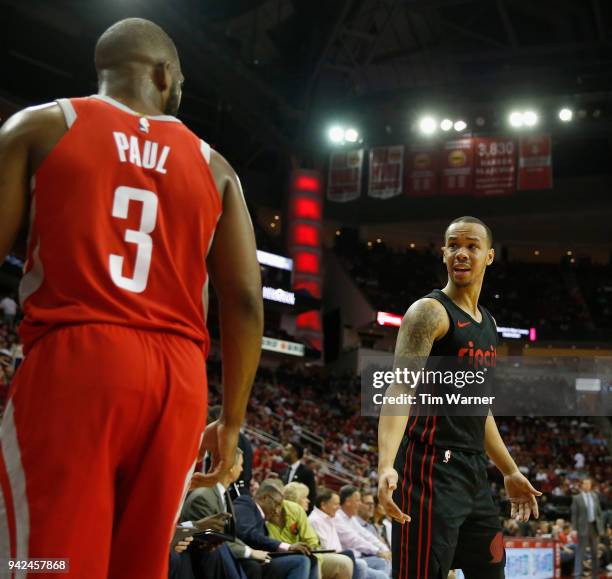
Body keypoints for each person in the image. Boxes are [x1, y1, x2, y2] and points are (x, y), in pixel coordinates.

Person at [0, 17, 263, 579]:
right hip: (179, 381)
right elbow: (243, 300)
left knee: (48, 559)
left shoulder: (42, 125)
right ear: (164, 75)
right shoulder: (215, 166)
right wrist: (232, 420)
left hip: (77, 360)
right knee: (140, 566)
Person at [378, 216, 541, 579]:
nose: (461, 254)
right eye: (454, 245)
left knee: (492, 570)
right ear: (443, 253)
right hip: (428, 469)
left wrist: (510, 470)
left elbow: (477, 408)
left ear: (490, 256)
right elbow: (400, 388)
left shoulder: (488, 323)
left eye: (471, 246)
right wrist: (386, 464)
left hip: (473, 474)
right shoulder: (429, 312)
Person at [234, 481, 316, 579]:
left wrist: (292, 550)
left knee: (311, 559)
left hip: (262, 559)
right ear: (265, 497)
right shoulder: (246, 503)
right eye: (277, 504)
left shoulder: (262, 519)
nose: (277, 511)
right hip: (245, 559)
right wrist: (288, 547)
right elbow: (247, 533)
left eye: (280, 507)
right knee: (301, 562)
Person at [267, 487, 354, 579]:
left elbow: (312, 541)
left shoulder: (300, 513)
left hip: (310, 554)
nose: (308, 501)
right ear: (295, 499)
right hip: (283, 556)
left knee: (315, 559)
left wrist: (317, 559)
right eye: (304, 497)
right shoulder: (313, 518)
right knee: (307, 560)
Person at [309, 489, 386, 579]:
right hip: (327, 557)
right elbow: (328, 546)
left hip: (340, 556)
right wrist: (377, 551)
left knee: (381, 569)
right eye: (335, 504)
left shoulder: (330, 517)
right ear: (323, 505)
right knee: (363, 565)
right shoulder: (316, 520)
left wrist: (381, 550)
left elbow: (363, 534)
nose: (338, 507)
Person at [335, 486, 391, 576]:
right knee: (382, 573)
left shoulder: (351, 518)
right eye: (357, 500)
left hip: (360, 558)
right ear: (348, 502)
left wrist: (385, 550)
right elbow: (354, 540)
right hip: (349, 560)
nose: (359, 504)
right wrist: (378, 552)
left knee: (386, 563)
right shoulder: (337, 518)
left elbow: (366, 535)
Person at [571, 478, 604, 578]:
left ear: (591, 485)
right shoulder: (577, 498)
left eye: (589, 484)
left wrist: (601, 527)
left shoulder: (595, 496)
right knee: (581, 552)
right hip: (582, 528)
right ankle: (578, 575)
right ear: (581, 485)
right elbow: (574, 515)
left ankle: (595, 575)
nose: (587, 485)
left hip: (594, 526)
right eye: (585, 484)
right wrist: (574, 529)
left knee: (595, 553)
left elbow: (599, 513)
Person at [282, 441, 317, 514]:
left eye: (286, 450)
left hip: (298, 513)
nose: (283, 452)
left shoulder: (307, 472)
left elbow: (311, 496)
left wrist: (305, 516)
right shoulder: (284, 471)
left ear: (294, 453)